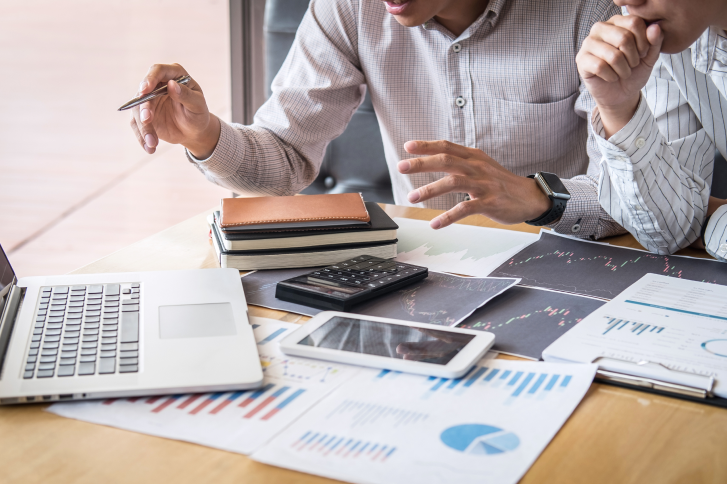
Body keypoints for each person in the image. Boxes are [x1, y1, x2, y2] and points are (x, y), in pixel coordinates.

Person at [129, 0, 623, 237]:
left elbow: (632, 197)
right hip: (424, 266)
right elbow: (283, 161)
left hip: (561, 255)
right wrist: (206, 135)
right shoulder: (351, 8)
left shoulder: (586, 10)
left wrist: (538, 197)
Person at [576, 0, 727, 260]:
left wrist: (712, 219)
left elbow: (694, 220)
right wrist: (619, 108)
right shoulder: (674, 35)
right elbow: (672, 231)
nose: (622, 1)